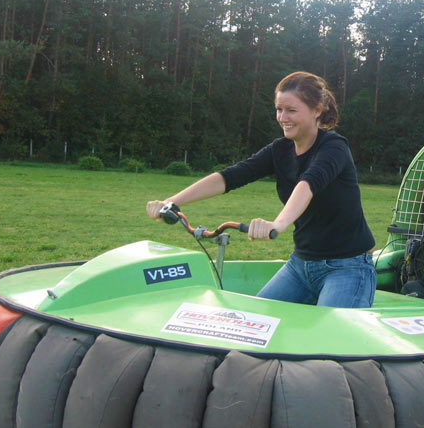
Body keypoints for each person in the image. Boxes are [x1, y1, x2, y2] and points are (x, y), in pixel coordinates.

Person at [146, 71, 376, 308]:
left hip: (349, 267)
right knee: (256, 325)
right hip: (300, 266)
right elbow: (231, 176)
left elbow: (308, 184)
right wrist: (172, 201)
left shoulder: (334, 147)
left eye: (291, 110)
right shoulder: (280, 150)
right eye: (279, 109)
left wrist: (278, 224)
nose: (282, 117)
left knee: (331, 340)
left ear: (317, 110)